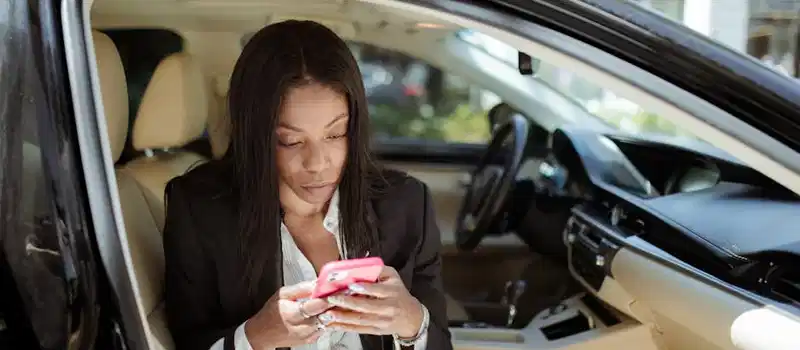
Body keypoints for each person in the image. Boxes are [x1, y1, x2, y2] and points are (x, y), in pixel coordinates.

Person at [162, 20, 452, 350]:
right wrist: (253, 337)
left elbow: (440, 342)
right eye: (290, 141)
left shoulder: (407, 205)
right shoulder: (200, 211)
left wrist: (412, 322)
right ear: (255, 137)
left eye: (335, 134)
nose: (317, 163)